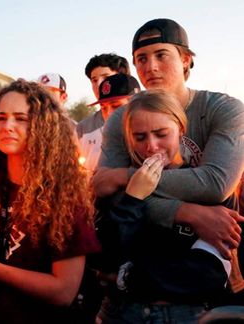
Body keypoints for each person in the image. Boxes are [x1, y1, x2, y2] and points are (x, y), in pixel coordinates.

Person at [93, 18, 244, 319]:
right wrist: (188, 211)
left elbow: (215, 183)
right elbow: (105, 197)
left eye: (162, 54)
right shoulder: (122, 119)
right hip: (137, 272)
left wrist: (125, 179)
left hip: (205, 273)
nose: (151, 66)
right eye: (141, 59)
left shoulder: (223, 109)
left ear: (186, 59)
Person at [0, 79, 100, 324]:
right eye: (2, 118)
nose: (7, 126)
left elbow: (63, 292)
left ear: (44, 128)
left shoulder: (64, 199)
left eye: (21, 118)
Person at [96, 90, 232, 323]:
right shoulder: (122, 188)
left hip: (187, 314)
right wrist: (134, 198)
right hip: (123, 312)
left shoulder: (205, 187)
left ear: (181, 128)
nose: (151, 146)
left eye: (161, 134)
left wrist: (127, 275)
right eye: (140, 137)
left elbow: (206, 274)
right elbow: (106, 256)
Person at [79, 73, 140, 172]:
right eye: (103, 108)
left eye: (116, 106)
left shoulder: (153, 133)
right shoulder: (110, 139)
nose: (109, 113)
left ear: (136, 103)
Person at [76, 53, 130, 140]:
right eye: (94, 80)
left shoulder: (144, 118)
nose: (99, 84)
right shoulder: (83, 128)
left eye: (106, 78)